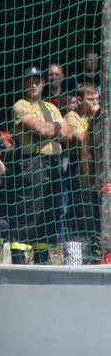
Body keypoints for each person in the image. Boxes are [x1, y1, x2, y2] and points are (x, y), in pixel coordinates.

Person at [8, 67, 73, 265]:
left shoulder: (51, 107)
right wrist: (56, 128)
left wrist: (51, 129)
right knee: (28, 212)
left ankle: (43, 262)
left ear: (43, 83)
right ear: (23, 83)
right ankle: (19, 262)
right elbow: (37, 129)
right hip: (32, 163)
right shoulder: (21, 105)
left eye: (37, 80)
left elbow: (69, 132)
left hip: (53, 164)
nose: (34, 84)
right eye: (29, 81)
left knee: (50, 214)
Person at [62, 83, 102, 264]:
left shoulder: (100, 116)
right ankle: (77, 258)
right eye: (91, 99)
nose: (95, 103)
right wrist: (96, 118)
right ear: (79, 100)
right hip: (80, 168)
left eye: (97, 99)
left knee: (97, 213)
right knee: (82, 213)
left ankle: (98, 254)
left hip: (98, 169)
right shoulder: (72, 116)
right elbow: (83, 139)